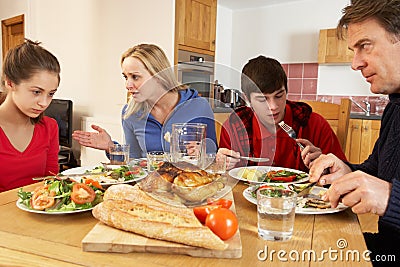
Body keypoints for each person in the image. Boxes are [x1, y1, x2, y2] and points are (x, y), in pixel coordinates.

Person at [308, 0, 400, 263]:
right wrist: (347, 171)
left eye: (365, 46)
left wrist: (391, 198)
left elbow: (388, 191)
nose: (355, 63)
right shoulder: (394, 108)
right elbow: (376, 169)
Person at [72, 44, 216, 158]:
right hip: (149, 189)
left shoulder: (199, 106)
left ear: (159, 75)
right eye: (125, 77)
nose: (128, 85)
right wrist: (111, 147)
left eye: (135, 77)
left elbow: (213, 153)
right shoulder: (130, 113)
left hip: (189, 186)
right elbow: (134, 162)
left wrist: (202, 152)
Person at [217, 56, 347, 172]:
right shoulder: (234, 127)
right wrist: (222, 165)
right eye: (262, 99)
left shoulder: (315, 125)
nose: (273, 107)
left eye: (279, 96)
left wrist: (325, 168)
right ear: (247, 99)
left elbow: (342, 177)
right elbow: (227, 183)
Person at [0, 39, 61, 192]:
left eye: (51, 94)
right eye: (36, 92)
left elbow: (50, 183)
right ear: (10, 83)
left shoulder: (49, 127)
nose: (44, 103)